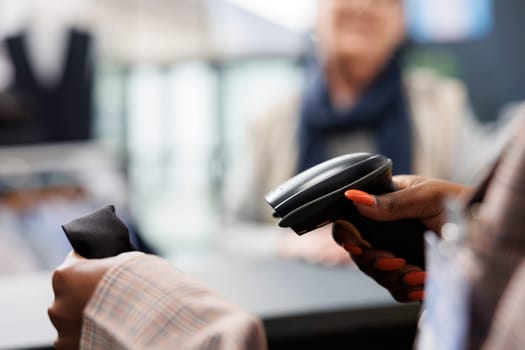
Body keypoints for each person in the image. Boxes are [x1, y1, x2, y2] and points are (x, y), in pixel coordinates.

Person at [49, 114, 525, 349]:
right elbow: (228, 226)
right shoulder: (274, 122)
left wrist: (134, 312)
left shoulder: (441, 109)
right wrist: (467, 241)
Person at [224, 0, 518, 266]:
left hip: (406, 313)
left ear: (402, 23)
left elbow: (485, 208)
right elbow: (229, 233)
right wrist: (289, 245)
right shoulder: (270, 122)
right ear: (316, 12)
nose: (363, 6)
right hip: (300, 307)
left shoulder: (444, 107)